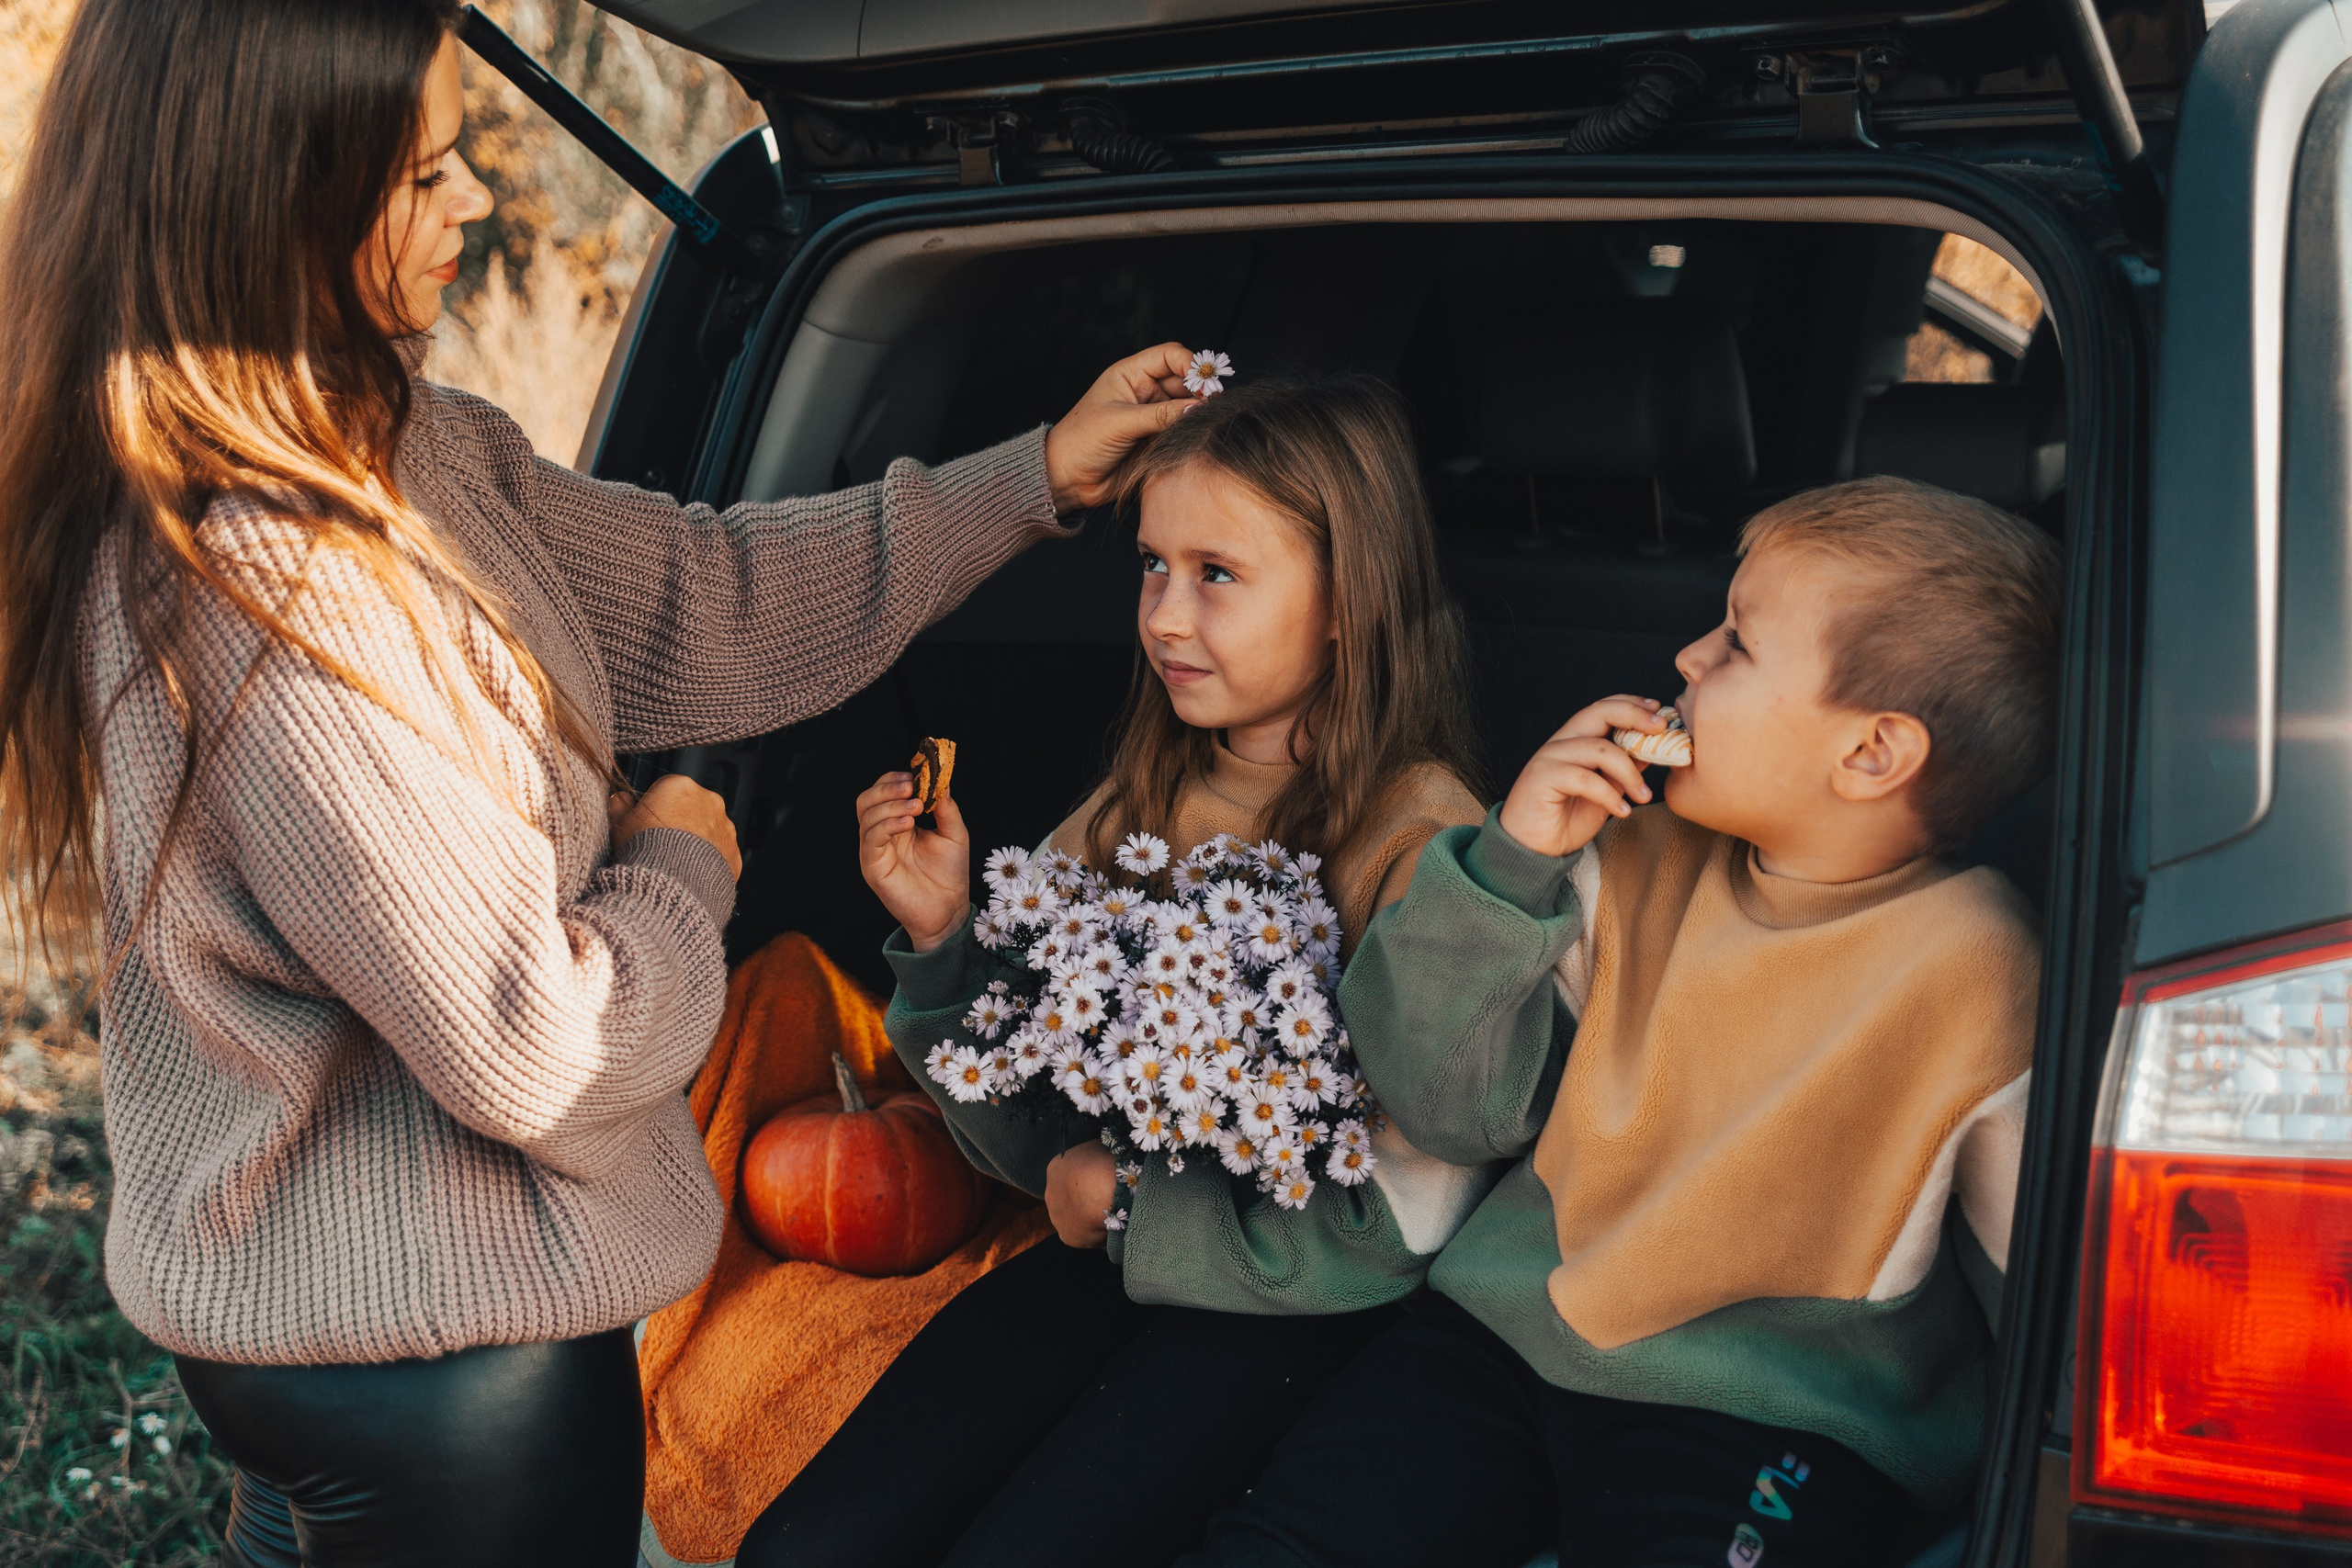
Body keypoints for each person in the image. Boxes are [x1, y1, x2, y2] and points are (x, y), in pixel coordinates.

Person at [0, 3, 1204, 1563]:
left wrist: (1034, 475)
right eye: (421, 175)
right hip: (437, 1373)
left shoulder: (406, 452)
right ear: (269, 202)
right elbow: (542, 1042)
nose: (474, 205)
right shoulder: (270, 585)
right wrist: (677, 861)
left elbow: (706, 600)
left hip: (367, 1331)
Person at [1180, 476, 2061, 1568]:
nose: (1688, 657)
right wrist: (1513, 862)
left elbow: (2048, 1297)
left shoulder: (1986, 971)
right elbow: (1442, 1103)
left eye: (1736, 644)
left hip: (1779, 1413)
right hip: (1498, 1341)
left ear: (1871, 754)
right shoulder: (1625, 854)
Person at [736, 376, 1494, 1568]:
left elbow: (1405, 1210)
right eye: (1151, 565)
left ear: (1351, 599)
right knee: (807, 1548)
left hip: (1293, 1301)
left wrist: (1138, 1203)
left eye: (1218, 574)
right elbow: (1033, 1137)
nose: (1167, 617)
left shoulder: (1424, 848)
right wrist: (945, 944)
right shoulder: (1134, 803)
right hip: (1102, 1261)